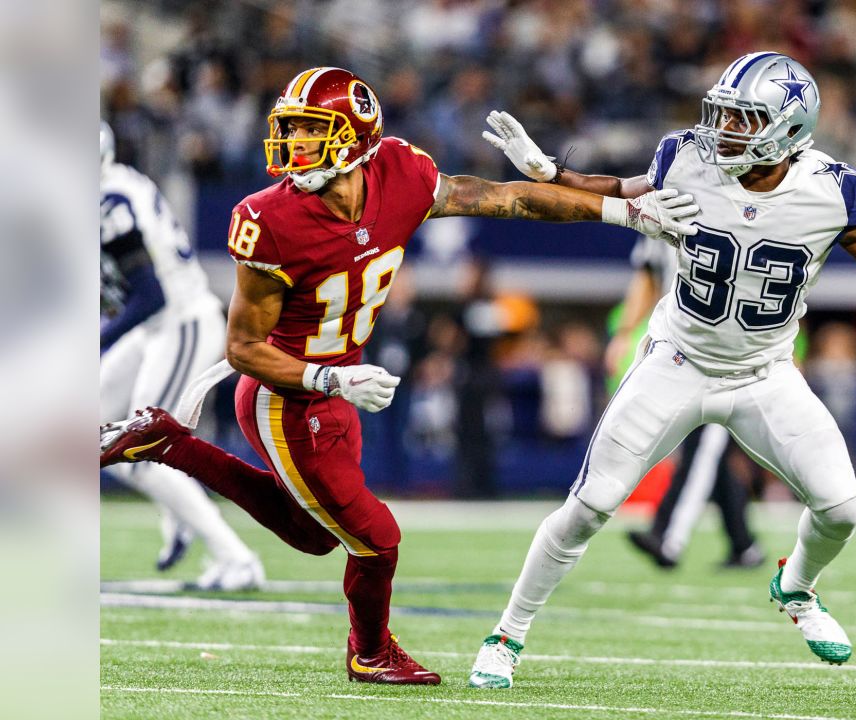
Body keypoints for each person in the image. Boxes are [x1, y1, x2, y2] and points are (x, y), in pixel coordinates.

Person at [100, 66, 699, 686]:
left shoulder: (401, 174)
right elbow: (245, 348)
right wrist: (326, 381)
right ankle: (371, 651)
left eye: (313, 130)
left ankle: (167, 442)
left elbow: (505, 198)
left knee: (313, 533)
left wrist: (620, 212)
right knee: (376, 538)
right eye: (291, 130)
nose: (296, 145)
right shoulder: (268, 218)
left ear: (357, 137)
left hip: (341, 377)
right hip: (287, 392)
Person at [469, 52, 856, 689]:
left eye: (746, 119)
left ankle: (796, 588)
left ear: (791, 128)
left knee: (842, 508)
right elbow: (619, 192)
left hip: (764, 373)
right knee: (590, 506)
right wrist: (552, 171)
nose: (726, 129)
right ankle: (507, 634)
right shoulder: (687, 156)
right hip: (677, 362)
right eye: (725, 113)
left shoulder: (832, 190)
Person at [100, 122, 264, 591]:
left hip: (181, 321)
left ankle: (237, 558)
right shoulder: (118, 184)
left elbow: (149, 295)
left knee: (140, 451)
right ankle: (180, 511)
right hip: (156, 329)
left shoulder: (108, 201)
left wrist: (99, 337)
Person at [609, 234, 762, 570]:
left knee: (703, 445)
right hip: (678, 348)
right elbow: (647, 277)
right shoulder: (660, 208)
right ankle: (745, 545)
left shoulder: (731, 207)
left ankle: (667, 536)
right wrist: (624, 333)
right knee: (708, 451)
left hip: (722, 350)